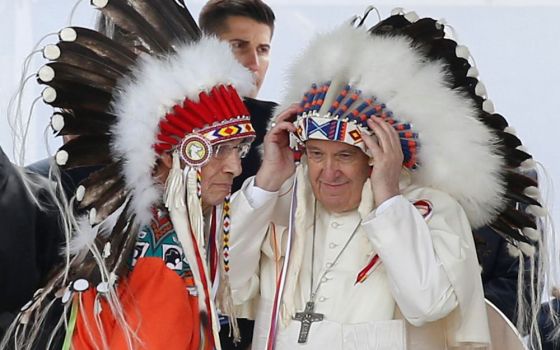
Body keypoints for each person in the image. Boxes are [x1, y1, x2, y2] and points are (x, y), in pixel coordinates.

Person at [226, 10, 545, 350]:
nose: (328, 171)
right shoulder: (282, 204)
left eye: (345, 155)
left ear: (378, 155)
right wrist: (266, 182)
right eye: (317, 154)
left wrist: (389, 200)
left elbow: (428, 304)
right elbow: (228, 285)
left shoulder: (429, 210)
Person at [1, 1, 258, 349]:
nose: (235, 166)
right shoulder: (153, 265)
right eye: (218, 149)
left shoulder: (179, 231)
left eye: (239, 150)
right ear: (168, 154)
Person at [199, 0, 277, 193]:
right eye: (239, 45)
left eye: (263, 49)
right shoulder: (164, 122)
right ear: (205, 48)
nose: (254, 63)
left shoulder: (280, 127)